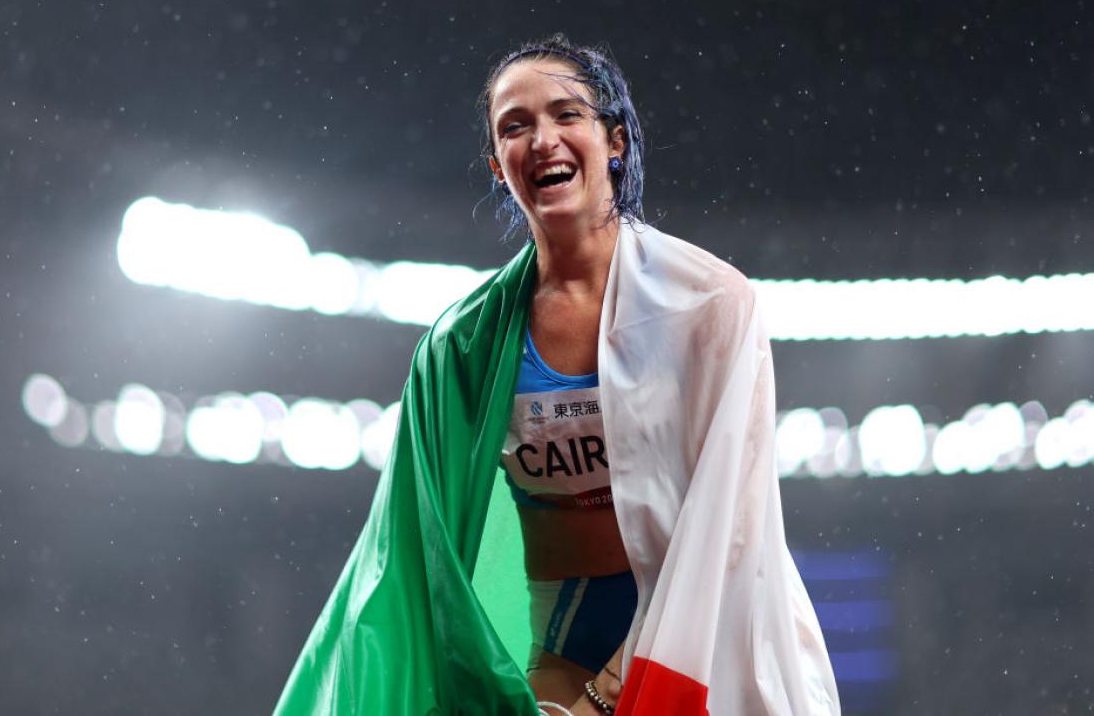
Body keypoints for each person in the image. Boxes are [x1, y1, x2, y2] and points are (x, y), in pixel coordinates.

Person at [273, 35, 839, 715]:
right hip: (563, 648)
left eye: (566, 114)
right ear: (497, 165)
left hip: (712, 640)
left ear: (616, 141)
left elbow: (728, 529)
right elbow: (409, 555)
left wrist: (611, 693)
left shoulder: (711, 306)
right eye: (516, 126)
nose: (542, 139)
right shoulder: (463, 347)